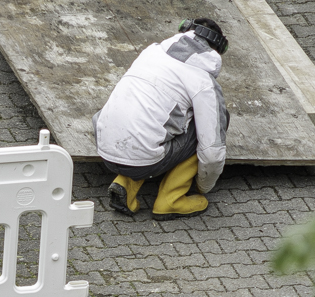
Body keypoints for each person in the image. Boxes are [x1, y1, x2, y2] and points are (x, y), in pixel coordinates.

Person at [92, 17, 229, 218]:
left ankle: (125, 183)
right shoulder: (202, 81)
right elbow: (211, 151)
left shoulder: (151, 52)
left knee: (146, 122)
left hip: (105, 150)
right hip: (145, 160)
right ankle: (171, 199)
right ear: (215, 51)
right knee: (214, 121)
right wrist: (203, 186)